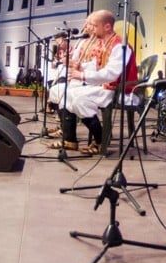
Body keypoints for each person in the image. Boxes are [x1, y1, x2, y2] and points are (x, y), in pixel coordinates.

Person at [57, 10, 137, 156]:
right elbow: (97, 65)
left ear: (107, 27)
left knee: (80, 100)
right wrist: (80, 67)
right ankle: (73, 139)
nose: (90, 29)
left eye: (94, 26)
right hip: (105, 87)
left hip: (120, 90)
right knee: (68, 95)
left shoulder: (119, 46)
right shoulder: (104, 43)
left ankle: (101, 140)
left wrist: (82, 75)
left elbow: (111, 73)